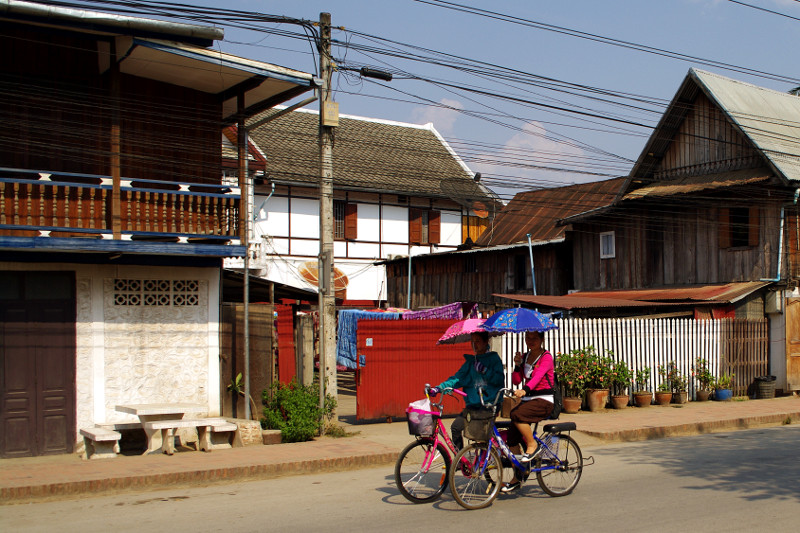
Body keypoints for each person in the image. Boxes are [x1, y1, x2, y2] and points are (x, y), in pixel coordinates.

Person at [429, 331, 504, 451]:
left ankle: (484, 464)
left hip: (489, 404)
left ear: (486, 342)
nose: (475, 345)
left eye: (478, 341)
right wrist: (439, 388)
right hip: (473, 406)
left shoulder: (494, 359)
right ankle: (461, 461)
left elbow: (499, 380)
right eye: (472, 342)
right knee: (456, 427)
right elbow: (457, 379)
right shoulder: (470, 363)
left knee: (480, 435)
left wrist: (485, 370)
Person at [501, 330, 554, 493]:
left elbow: (537, 376)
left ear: (542, 339)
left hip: (544, 400)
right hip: (528, 400)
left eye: (534, 338)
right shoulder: (525, 357)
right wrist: (517, 364)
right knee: (511, 438)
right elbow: (517, 379)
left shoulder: (546, 357)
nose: (530, 341)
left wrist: (525, 390)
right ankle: (519, 476)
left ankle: (532, 444)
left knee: (516, 414)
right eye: (527, 338)